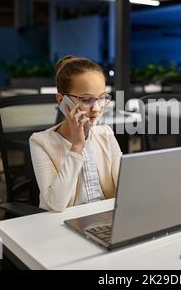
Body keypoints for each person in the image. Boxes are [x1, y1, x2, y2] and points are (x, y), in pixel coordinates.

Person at [29, 56, 121, 211]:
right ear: (61, 100)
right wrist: (77, 147)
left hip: (106, 220)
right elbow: (55, 204)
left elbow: (125, 186)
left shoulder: (105, 134)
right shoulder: (41, 142)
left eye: (102, 98)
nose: (97, 108)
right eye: (86, 99)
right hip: (62, 226)